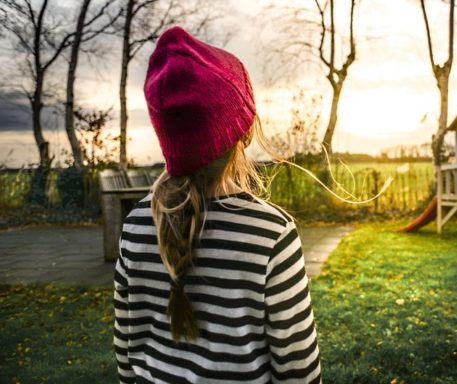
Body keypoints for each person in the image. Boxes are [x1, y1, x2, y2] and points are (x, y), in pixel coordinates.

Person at [113, 26, 321, 384]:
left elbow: (127, 353)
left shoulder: (135, 224)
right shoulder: (271, 235)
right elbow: (298, 369)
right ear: (245, 129)